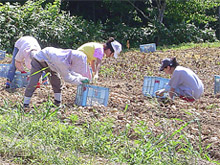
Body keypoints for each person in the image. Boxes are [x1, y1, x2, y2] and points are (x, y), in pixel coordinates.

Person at [23, 47, 89, 108]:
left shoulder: (69, 59)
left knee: (56, 81)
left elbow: (71, 71)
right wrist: (79, 81)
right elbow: (67, 78)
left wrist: (81, 78)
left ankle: (57, 102)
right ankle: (25, 104)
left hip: (51, 62)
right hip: (39, 60)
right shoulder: (61, 60)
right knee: (33, 82)